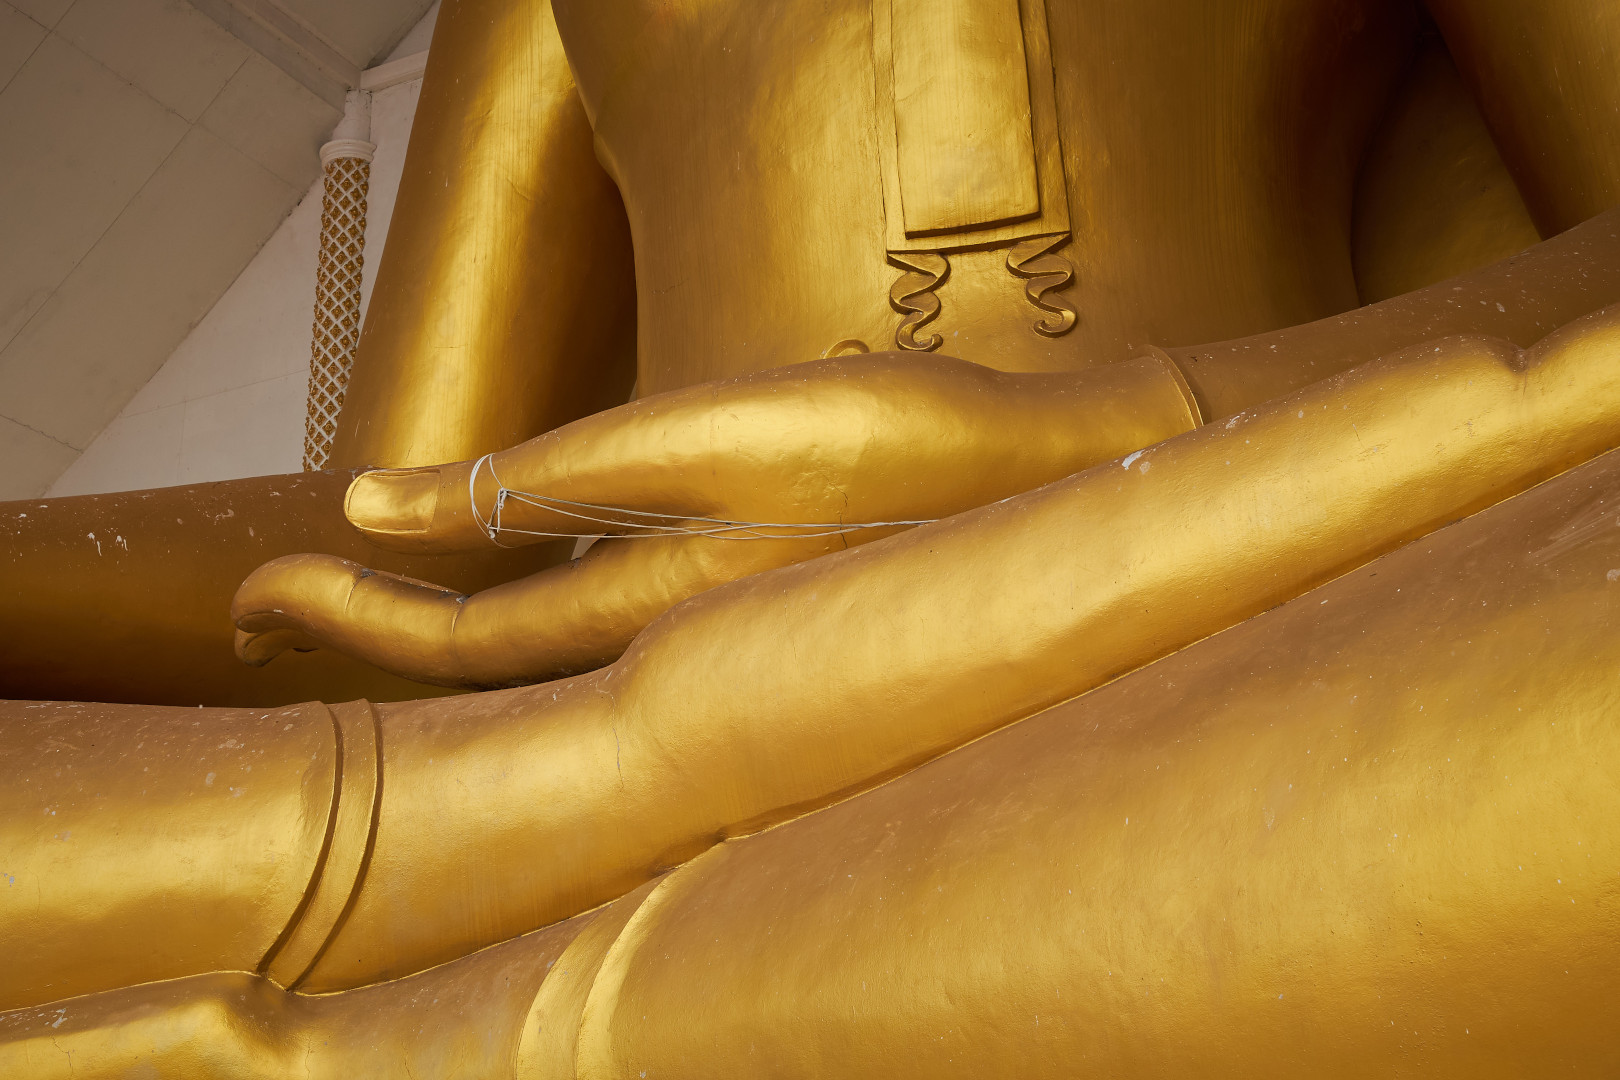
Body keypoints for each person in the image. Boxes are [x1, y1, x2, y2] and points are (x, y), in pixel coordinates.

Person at [4, 0, 1620, 1074]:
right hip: (618, 706)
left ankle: (482, 981)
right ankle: (562, 829)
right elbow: (401, 536)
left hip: (1246, 567)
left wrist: (1109, 430)